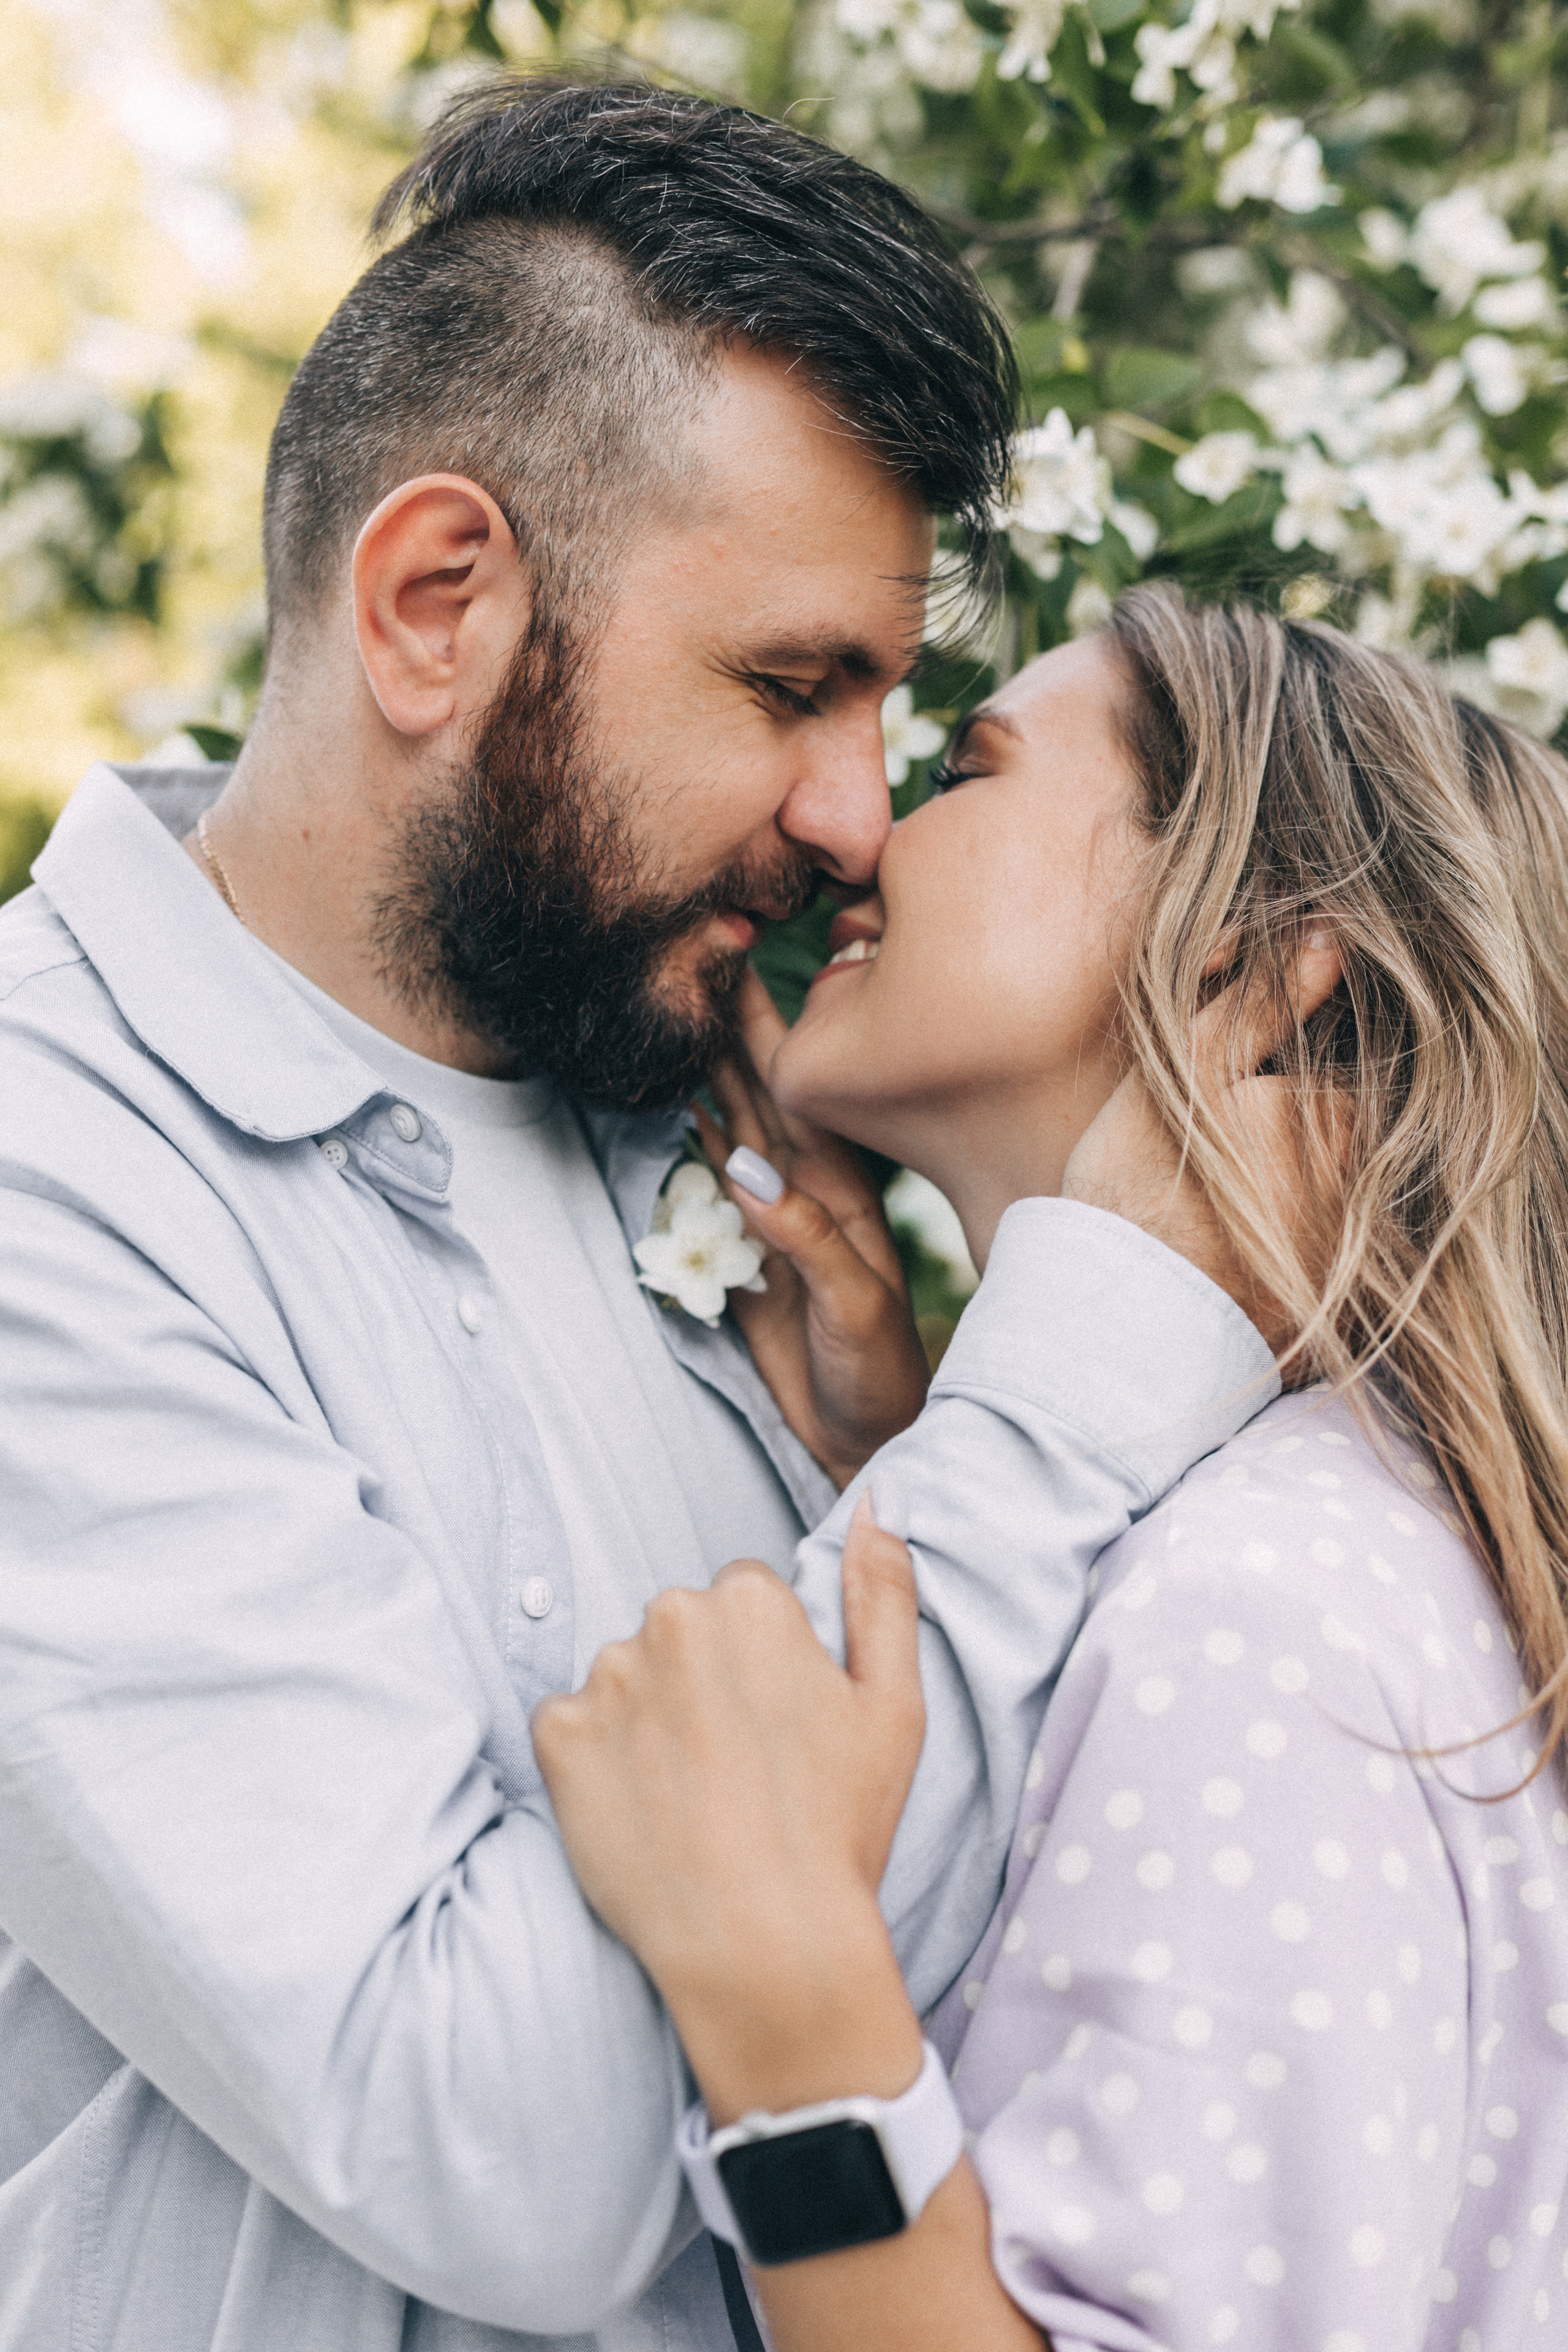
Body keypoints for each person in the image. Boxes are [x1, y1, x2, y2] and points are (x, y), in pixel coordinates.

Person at [0, 86, 1282, 2352]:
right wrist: (1105, 1347)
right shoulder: (54, 1186)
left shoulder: (733, 1116)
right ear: (434, 605)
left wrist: (899, 1466)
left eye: (887, 707)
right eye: (789, 689)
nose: (857, 819)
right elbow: (513, 2154)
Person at [535, 589, 1568, 2352]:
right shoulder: (1358, 1532)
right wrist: (916, 1447)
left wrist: (781, 1994)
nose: (858, 831)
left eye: (964, 766)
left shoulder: (1265, 1616)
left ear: (1259, 950)